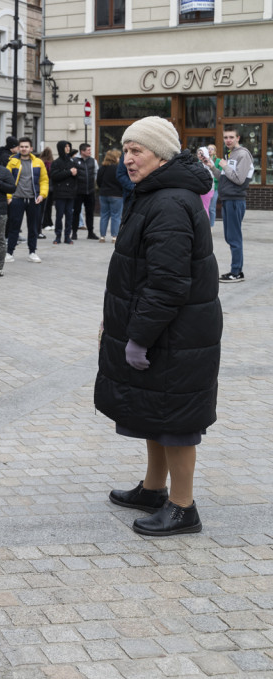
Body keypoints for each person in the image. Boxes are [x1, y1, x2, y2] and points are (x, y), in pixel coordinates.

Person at [96, 116, 222, 537]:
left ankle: (183, 506)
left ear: (162, 156)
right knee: (157, 410)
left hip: (176, 332)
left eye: (138, 151)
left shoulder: (169, 202)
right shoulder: (155, 193)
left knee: (177, 419)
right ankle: (154, 487)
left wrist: (139, 336)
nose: (128, 159)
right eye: (126, 149)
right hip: (166, 328)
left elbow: (167, 284)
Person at [217, 124, 253, 283]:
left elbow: (239, 179)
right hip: (228, 199)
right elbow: (224, 178)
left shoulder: (243, 155)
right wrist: (212, 166)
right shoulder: (231, 154)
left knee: (234, 237)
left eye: (231, 137)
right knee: (230, 236)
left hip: (235, 200)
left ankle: (236, 272)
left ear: (238, 138)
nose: (228, 140)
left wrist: (225, 165)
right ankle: (236, 270)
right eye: (225, 137)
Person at [4, 137, 48, 263]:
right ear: (18, 148)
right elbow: (6, 180)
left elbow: (44, 180)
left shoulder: (38, 162)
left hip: (33, 200)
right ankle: (9, 252)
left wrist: (42, 195)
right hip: (16, 199)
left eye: (26, 146)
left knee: (33, 227)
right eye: (21, 146)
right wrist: (8, 197)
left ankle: (32, 252)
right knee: (14, 227)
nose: (24, 149)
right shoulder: (12, 162)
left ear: (31, 149)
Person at [50, 140, 78, 244]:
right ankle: (58, 236)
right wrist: (69, 172)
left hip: (70, 193)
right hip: (60, 193)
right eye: (65, 146)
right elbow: (54, 176)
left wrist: (75, 174)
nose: (68, 148)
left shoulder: (72, 161)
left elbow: (76, 177)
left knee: (69, 215)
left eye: (68, 146)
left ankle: (67, 236)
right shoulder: (56, 162)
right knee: (59, 215)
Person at [96, 149, 123, 243]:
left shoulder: (102, 168)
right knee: (116, 216)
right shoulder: (118, 168)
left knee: (104, 215)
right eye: (119, 157)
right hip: (117, 195)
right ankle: (114, 237)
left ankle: (102, 236)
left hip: (103, 194)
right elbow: (121, 181)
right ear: (115, 158)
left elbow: (98, 181)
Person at [73, 143, 99, 240]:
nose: (90, 152)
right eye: (88, 150)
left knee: (90, 213)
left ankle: (90, 233)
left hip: (90, 191)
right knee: (76, 212)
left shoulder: (93, 161)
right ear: (82, 151)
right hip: (78, 191)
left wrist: (94, 185)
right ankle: (74, 232)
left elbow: (96, 173)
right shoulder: (75, 161)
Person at [39, 146, 55, 233]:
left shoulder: (40, 161)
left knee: (45, 206)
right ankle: (47, 222)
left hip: (44, 186)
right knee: (48, 206)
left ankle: (46, 222)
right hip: (50, 186)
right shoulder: (50, 163)